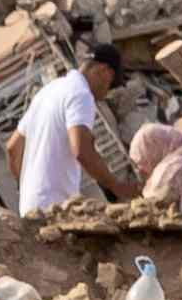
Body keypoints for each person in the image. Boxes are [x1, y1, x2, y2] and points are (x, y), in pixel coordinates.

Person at [10, 41, 125, 214]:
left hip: (29, 208)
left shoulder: (49, 90)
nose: (106, 94)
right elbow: (81, 151)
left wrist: (26, 188)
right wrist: (116, 186)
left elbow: (13, 147)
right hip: (54, 209)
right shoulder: (81, 94)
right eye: (110, 85)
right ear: (104, 72)